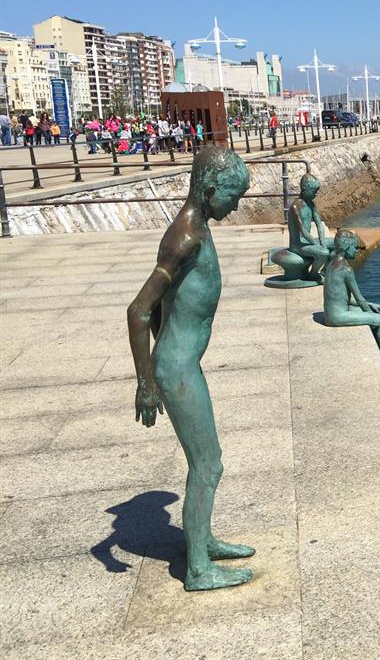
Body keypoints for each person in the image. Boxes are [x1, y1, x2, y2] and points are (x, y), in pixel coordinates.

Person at [127, 146, 254, 591]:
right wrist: (147, 382)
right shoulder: (185, 238)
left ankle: (203, 540)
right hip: (177, 368)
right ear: (210, 188)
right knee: (208, 464)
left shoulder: (196, 228)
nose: (235, 206)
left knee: (207, 461)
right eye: (233, 196)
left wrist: (163, 348)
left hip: (180, 362)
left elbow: (165, 304)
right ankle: (198, 569)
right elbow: (139, 310)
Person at [322, 229, 380, 371]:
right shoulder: (346, 270)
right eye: (355, 248)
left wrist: (370, 304)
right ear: (347, 248)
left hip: (331, 313)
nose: (357, 251)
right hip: (336, 317)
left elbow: (342, 297)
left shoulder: (332, 263)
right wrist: (370, 314)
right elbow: (359, 299)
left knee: (376, 312)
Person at [286, 173, 333, 279]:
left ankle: (324, 271)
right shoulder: (295, 207)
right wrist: (318, 245)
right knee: (324, 253)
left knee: (337, 244)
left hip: (308, 242)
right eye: (314, 191)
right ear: (304, 190)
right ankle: (313, 274)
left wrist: (322, 243)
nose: (316, 194)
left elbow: (319, 225)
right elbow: (303, 232)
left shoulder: (311, 204)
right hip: (298, 245)